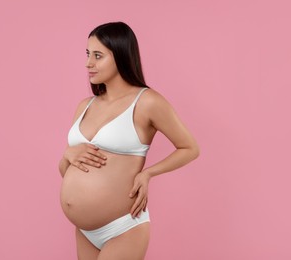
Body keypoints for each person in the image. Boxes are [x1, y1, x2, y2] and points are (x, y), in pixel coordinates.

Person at [59, 21, 199, 260]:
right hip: (85, 230)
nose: (88, 63)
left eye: (98, 55)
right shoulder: (85, 105)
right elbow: (66, 170)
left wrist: (148, 173)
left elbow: (190, 148)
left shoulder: (147, 102)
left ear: (120, 56)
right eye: (87, 54)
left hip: (123, 227)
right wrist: (67, 155)